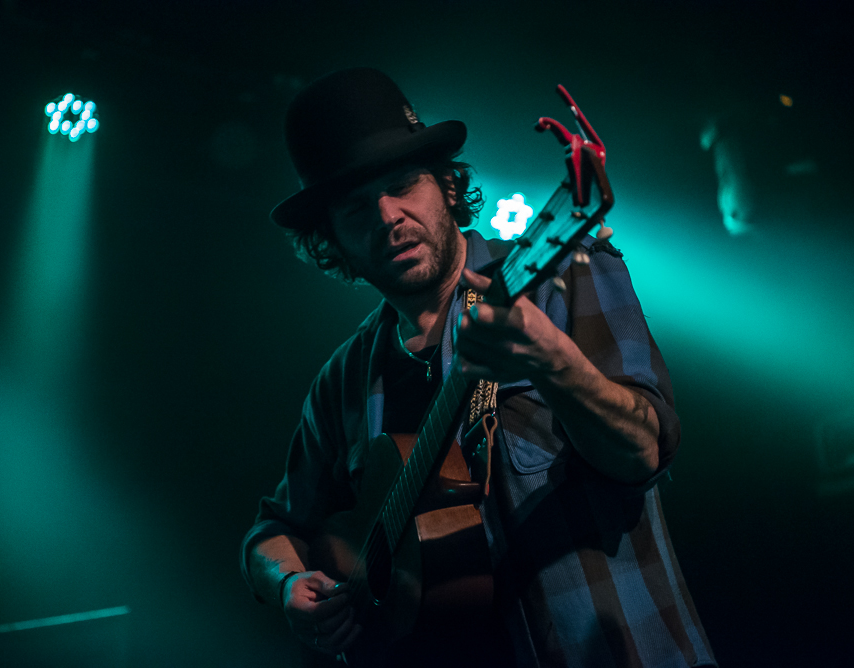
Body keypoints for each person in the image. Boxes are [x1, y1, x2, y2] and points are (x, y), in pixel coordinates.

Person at [240, 67, 716, 667]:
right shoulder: (341, 384)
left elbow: (641, 453)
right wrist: (287, 584)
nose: (388, 216)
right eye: (357, 207)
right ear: (331, 239)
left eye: (403, 183)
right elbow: (270, 531)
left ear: (445, 183)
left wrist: (555, 365)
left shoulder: (563, 275)